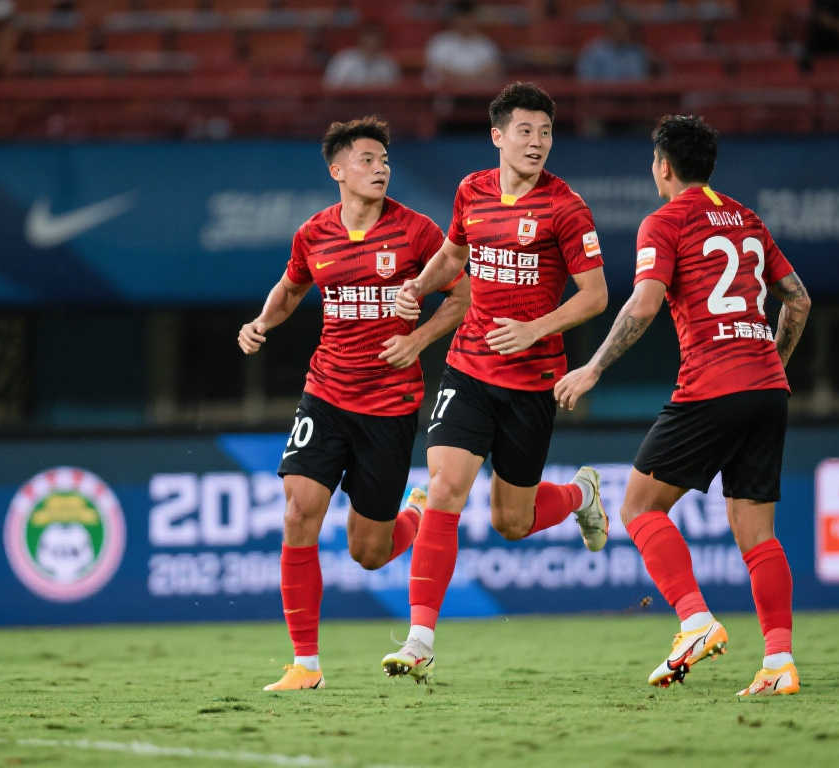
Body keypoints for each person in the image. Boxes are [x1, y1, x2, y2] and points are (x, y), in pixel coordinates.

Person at [555, 114, 811, 698]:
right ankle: (778, 662)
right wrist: (769, 366)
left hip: (711, 383)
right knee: (757, 534)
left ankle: (695, 620)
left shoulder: (665, 221)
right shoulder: (747, 218)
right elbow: (798, 301)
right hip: (767, 388)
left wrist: (593, 367)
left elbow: (644, 304)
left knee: (639, 507)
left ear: (663, 166)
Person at [380, 82, 609, 682]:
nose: (537, 142)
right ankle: (420, 640)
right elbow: (453, 256)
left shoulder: (566, 207)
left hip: (532, 381)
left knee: (512, 522)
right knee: (445, 487)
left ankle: (581, 495)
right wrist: (418, 286)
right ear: (497, 137)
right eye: (525, 131)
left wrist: (536, 329)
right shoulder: (472, 190)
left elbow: (595, 296)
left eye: (546, 132)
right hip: (469, 367)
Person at [238, 116, 470, 692]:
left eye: (384, 160)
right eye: (367, 160)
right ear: (337, 171)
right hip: (326, 393)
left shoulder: (416, 232)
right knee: (298, 512)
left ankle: (414, 514)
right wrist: (263, 321)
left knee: (368, 552)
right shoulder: (314, 234)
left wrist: (417, 340)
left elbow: (464, 293)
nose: (380, 168)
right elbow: (292, 287)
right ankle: (306, 666)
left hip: (389, 405)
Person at [423, 0, 502, 87]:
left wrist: (464, 80)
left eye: (469, 18)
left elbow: (492, 70)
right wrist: (470, 79)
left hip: (478, 92)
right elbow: (437, 71)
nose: (465, 22)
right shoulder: (440, 42)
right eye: (462, 18)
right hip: (446, 93)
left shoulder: (486, 44)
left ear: (475, 19)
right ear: (454, 19)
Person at [575, 12, 649, 82]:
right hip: (600, 91)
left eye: (623, 28)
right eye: (616, 27)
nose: (620, 31)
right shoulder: (592, 51)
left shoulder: (637, 52)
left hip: (631, 91)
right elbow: (586, 81)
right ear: (607, 29)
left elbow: (641, 80)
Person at [323, 24, 400, 88]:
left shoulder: (388, 64)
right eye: (368, 38)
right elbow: (330, 87)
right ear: (360, 39)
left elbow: (395, 91)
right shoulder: (343, 60)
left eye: (376, 38)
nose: (372, 42)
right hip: (347, 101)